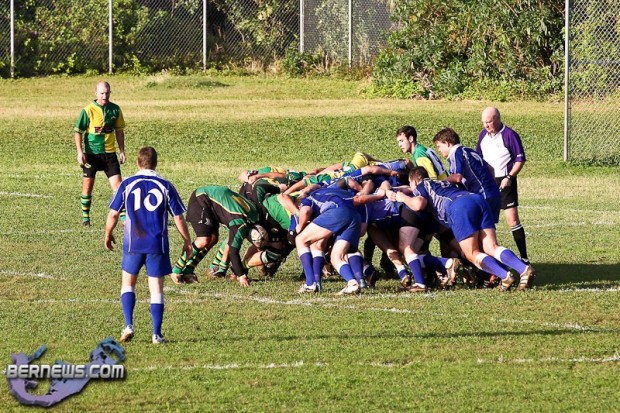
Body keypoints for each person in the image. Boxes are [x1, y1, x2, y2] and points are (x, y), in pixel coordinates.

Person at [395, 167, 535, 291]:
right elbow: (454, 179)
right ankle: (523, 269)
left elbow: (418, 204)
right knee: (491, 247)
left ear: (414, 180)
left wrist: (401, 197)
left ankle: (504, 276)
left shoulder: (421, 185)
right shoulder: (440, 182)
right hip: (476, 199)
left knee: (472, 253)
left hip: (459, 206)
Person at [104, 147, 192, 344]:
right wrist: (187, 240)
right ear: (156, 163)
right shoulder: (165, 185)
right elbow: (178, 217)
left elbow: (113, 214)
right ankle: (156, 334)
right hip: (157, 244)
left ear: (138, 162)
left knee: (128, 284)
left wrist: (108, 233)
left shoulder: (127, 184)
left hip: (133, 243)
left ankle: (128, 325)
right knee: (156, 289)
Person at [171, 185, 261, 287]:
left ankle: (189, 270)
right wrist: (241, 275)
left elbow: (230, 242)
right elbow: (233, 251)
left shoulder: (254, 218)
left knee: (213, 239)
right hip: (202, 197)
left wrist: (223, 269)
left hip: (215, 199)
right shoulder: (241, 224)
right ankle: (176, 270)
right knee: (203, 240)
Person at [477, 107, 529, 263]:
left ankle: (524, 258)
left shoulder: (510, 135)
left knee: (512, 220)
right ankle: (491, 257)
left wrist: (509, 177)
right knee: (486, 222)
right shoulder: (483, 136)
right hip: (488, 183)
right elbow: (478, 158)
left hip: (505, 181)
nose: (486, 125)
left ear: (497, 119)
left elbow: (520, 159)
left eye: (488, 122)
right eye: (484, 122)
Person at [75, 80, 126, 227]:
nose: (105, 96)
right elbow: (78, 131)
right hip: (91, 155)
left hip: (109, 154)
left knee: (118, 187)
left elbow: (119, 131)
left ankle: (124, 219)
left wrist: (122, 151)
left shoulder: (115, 109)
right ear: (96, 93)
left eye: (107, 93)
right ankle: (86, 218)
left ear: (110, 93)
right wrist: (80, 152)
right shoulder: (88, 110)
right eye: (102, 93)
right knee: (87, 187)